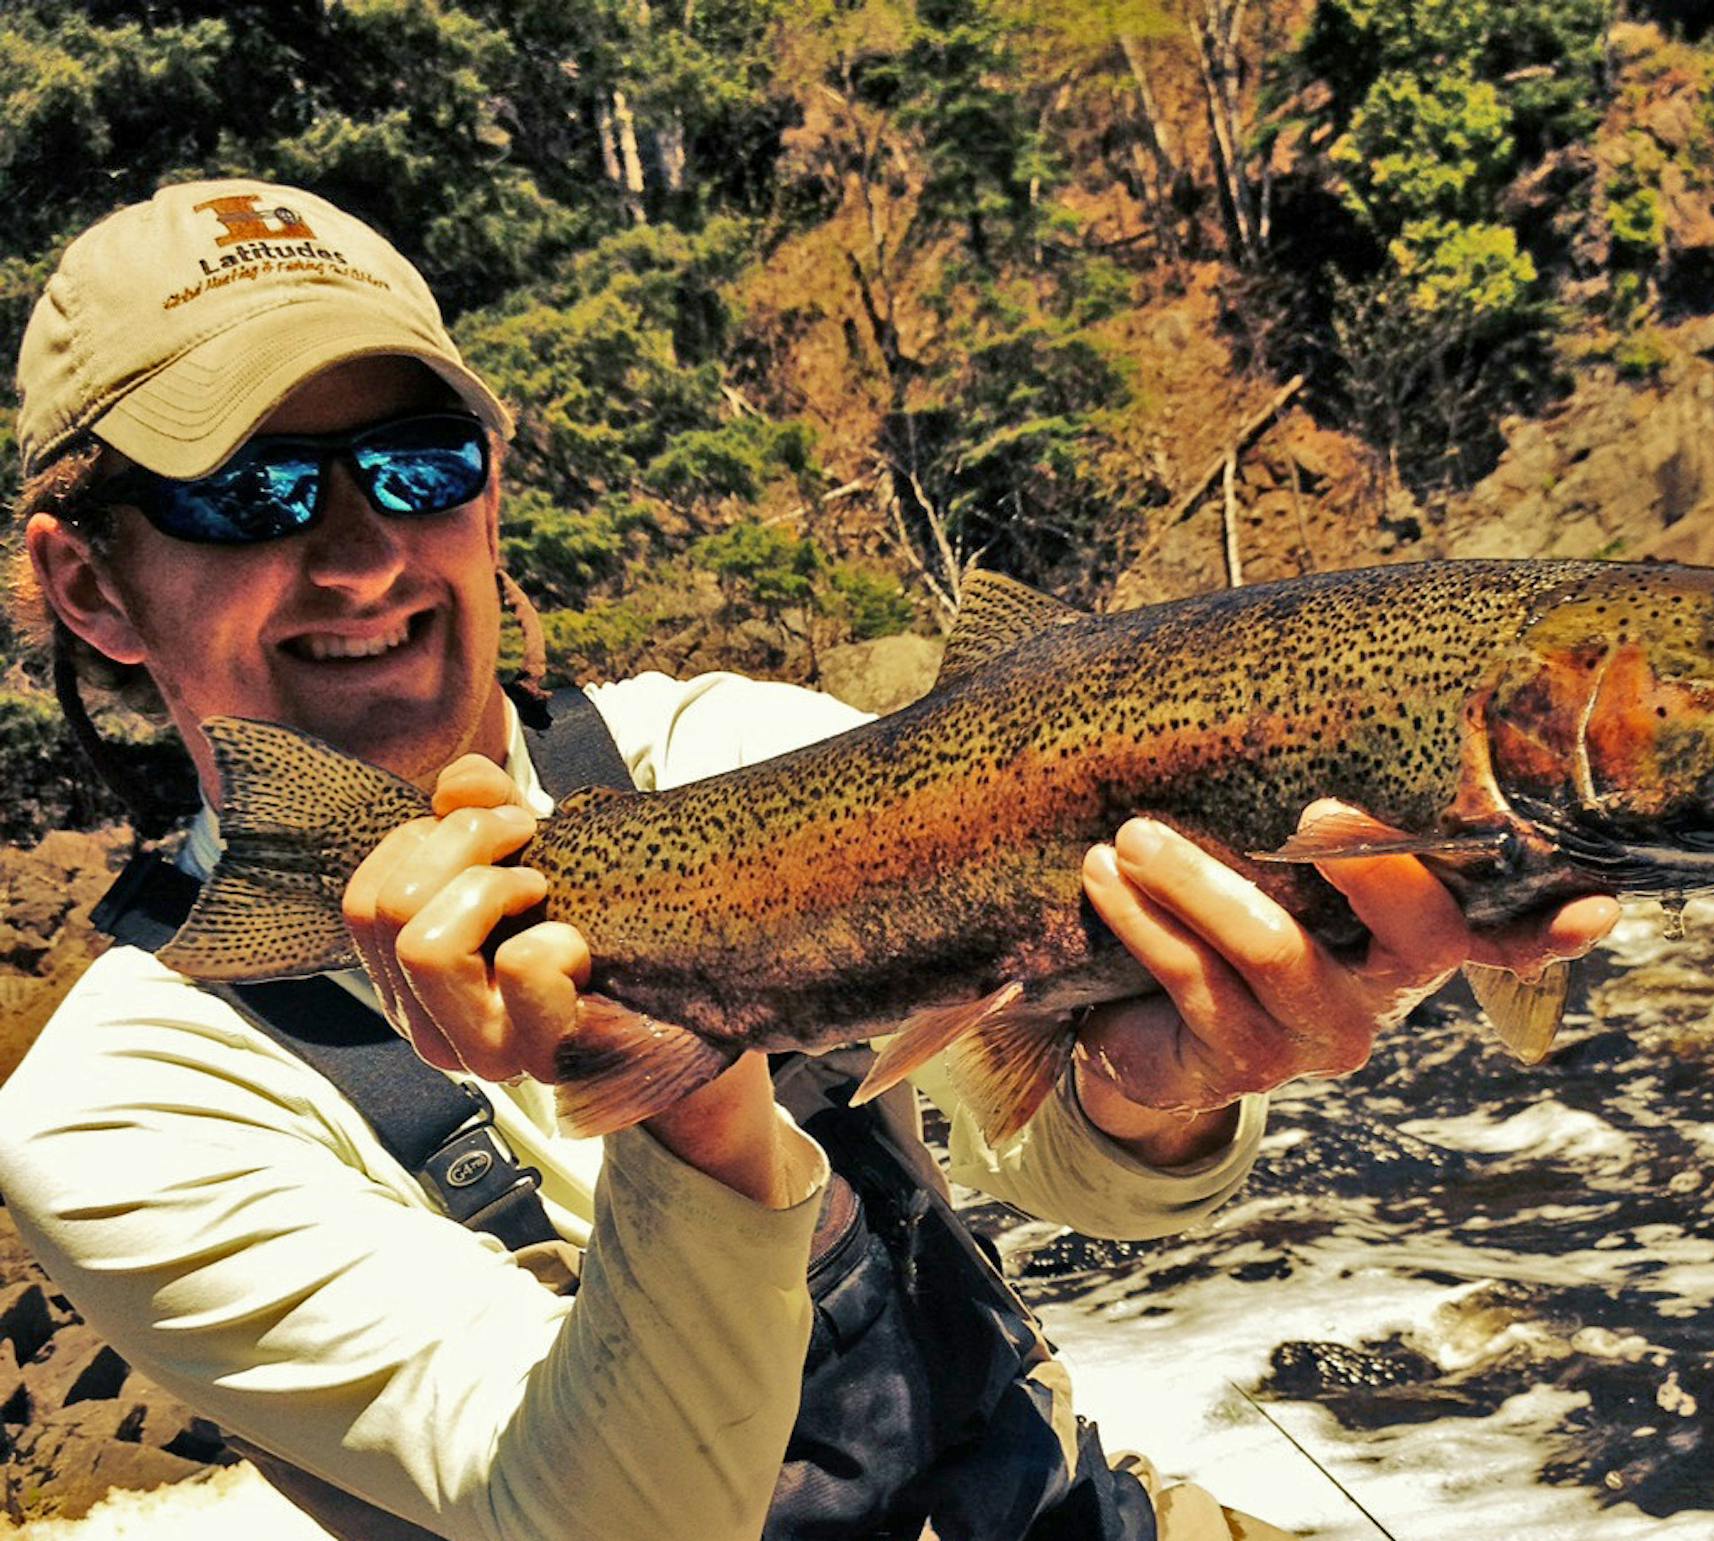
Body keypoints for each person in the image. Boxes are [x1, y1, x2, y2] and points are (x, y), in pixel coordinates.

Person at [0, 178, 1617, 1540]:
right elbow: (604, 1515)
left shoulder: (735, 750)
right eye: (250, 490)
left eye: (418, 462)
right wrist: (691, 1087)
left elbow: (1060, 1168)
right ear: (88, 585)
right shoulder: (118, 1108)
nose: (360, 554)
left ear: (488, 494)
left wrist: (1154, 1074)